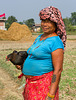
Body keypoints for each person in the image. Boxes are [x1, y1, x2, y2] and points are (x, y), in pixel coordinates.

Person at [16, 6, 67, 100]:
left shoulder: (55, 41)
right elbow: (33, 56)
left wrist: (51, 95)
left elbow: (58, 70)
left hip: (44, 86)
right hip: (31, 85)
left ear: (55, 23)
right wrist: (22, 65)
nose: (44, 24)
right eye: (43, 21)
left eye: (48, 21)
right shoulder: (40, 37)